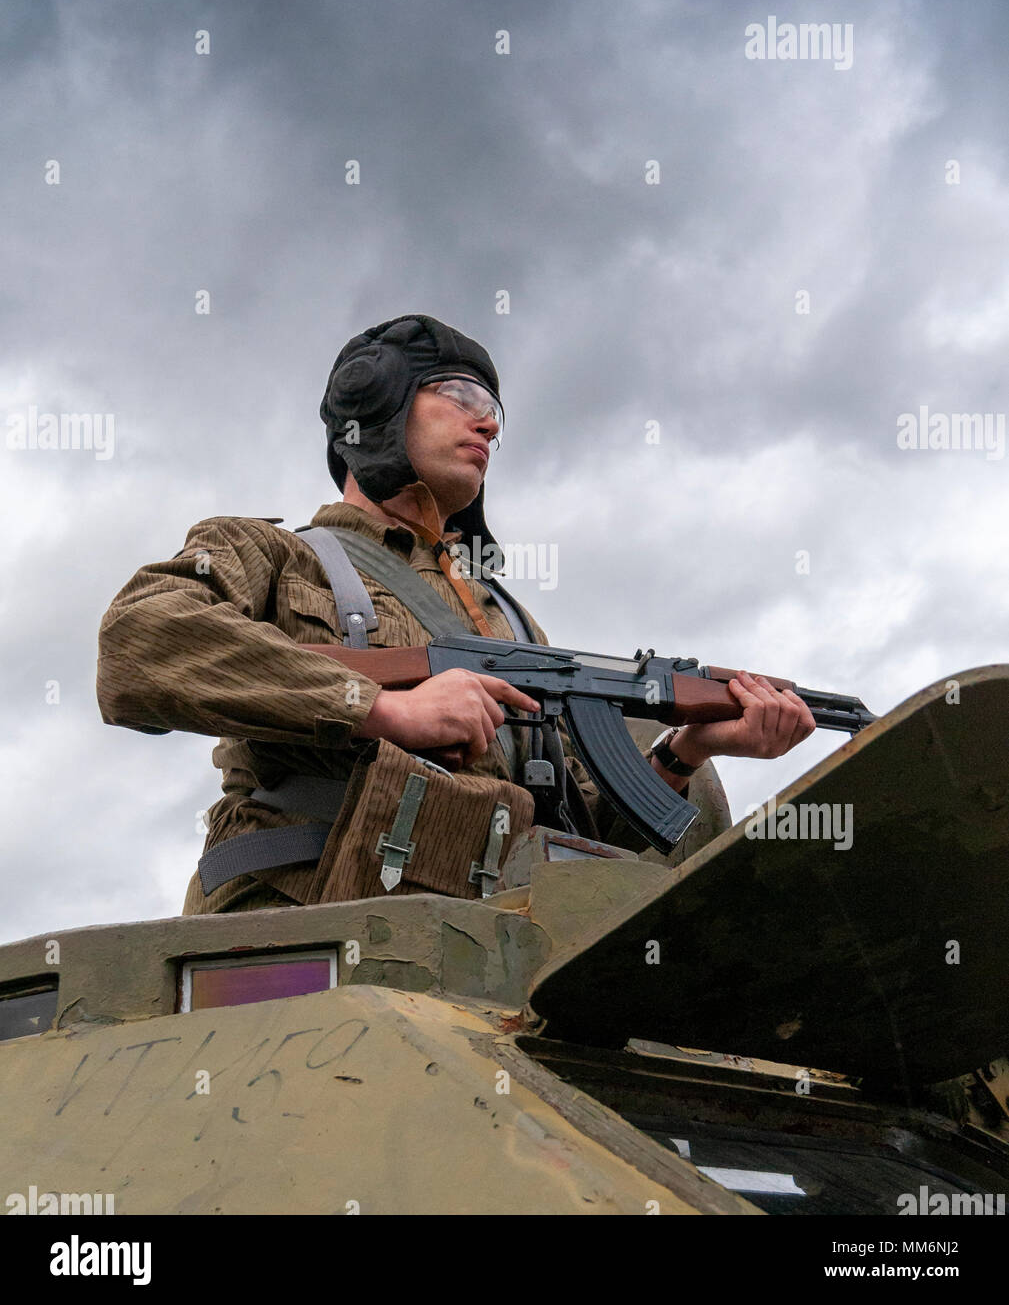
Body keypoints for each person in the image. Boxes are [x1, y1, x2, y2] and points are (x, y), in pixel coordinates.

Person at [96, 314, 815, 915]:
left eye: (495, 412)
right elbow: (138, 643)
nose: (488, 426)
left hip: (483, 954)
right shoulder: (273, 554)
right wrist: (382, 709)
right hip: (303, 932)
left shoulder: (509, 623)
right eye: (461, 394)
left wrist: (685, 751)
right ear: (373, 405)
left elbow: (582, 841)